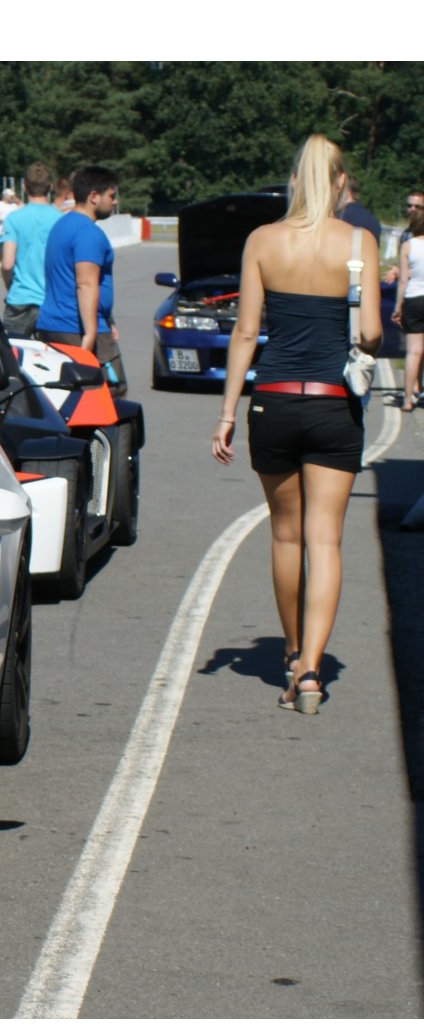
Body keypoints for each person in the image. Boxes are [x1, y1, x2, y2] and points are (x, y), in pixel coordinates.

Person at [211, 134, 381, 715]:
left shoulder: (262, 241)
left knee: (285, 534)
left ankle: (288, 650)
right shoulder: (359, 242)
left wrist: (228, 411)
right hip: (334, 403)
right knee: (325, 539)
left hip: (275, 400)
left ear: (293, 180)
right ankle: (311, 670)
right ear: (339, 182)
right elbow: (374, 336)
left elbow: (244, 332)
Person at [36, 165, 127, 395]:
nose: (115, 202)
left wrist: (109, 319)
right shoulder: (89, 233)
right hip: (75, 329)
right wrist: (90, 335)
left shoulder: (62, 225)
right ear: (94, 196)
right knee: (111, 397)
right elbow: (85, 284)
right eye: (111, 195)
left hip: (52, 325)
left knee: (65, 399)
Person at [0, 163, 61, 337]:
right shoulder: (61, 219)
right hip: (52, 301)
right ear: (51, 187)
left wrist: (11, 287)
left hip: (21, 300)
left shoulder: (14, 219)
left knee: (13, 358)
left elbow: (7, 264)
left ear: (24, 187)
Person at [391, 191, 424, 410]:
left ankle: (407, 399)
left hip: (413, 298)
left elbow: (403, 280)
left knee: (413, 350)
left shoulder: (408, 244)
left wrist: (397, 306)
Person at [0, 187, 20, 262]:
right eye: (10, 196)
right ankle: (3, 264)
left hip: (13, 232)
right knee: (1, 251)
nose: (11, 198)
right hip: (1, 232)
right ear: (5, 196)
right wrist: (0, 221)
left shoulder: (14, 206)